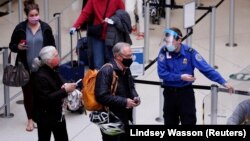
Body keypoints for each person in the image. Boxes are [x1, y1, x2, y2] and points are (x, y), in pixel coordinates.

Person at [157, 27, 234, 125]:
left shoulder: (190, 53)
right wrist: (180, 77)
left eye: (170, 42)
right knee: (169, 122)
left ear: (179, 40)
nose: (168, 45)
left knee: (189, 121)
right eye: (166, 41)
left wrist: (224, 82)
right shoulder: (163, 51)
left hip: (185, 93)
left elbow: (206, 69)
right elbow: (162, 73)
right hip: (169, 94)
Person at [9, 0, 55, 131]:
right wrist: (18, 47)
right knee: (28, 94)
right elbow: (11, 45)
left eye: (36, 14)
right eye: (32, 15)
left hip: (42, 68)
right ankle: (30, 119)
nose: (35, 17)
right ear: (27, 16)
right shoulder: (20, 28)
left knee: (41, 94)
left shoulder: (45, 28)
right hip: (25, 67)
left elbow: (52, 46)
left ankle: (39, 117)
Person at [95, 42, 140, 141]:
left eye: (131, 54)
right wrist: (124, 101)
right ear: (118, 57)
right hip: (109, 118)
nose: (131, 58)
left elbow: (131, 86)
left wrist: (135, 96)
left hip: (124, 115)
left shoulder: (126, 69)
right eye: (128, 56)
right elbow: (101, 96)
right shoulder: (107, 71)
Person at [32, 46, 77, 141]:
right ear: (49, 60)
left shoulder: (53, 69)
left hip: (57, 113)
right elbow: (46, 98)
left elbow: (59, 81)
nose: (59, 56)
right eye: (56, 55)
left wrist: (67, 85)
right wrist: (65, 90)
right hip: (45, 117)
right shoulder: (40, 77)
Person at [69, 0, 125, 70]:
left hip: (112, 36)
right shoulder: (92, 0)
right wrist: (75, 26)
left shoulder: (117, 1)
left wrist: (114, 20)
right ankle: (100, 79)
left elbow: (123, 15)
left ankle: (112, 79)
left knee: (112, 63)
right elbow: (85, 13)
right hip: (98, 34)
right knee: (98, 64)